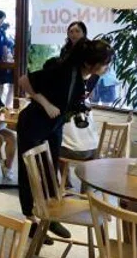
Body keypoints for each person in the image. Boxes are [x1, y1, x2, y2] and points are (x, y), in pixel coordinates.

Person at [16, 40, 114, 239]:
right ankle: (30, 218)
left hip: (55, 125)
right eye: (105, 63)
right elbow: (24, 80)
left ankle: (50, 216)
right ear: (90, 63)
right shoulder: (63, 71)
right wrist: (45, 103)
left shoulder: (89, 77)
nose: (107, 67)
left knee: (51, 170)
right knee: (29, 171)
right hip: (34, 122)